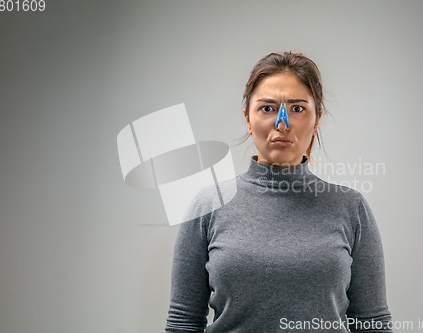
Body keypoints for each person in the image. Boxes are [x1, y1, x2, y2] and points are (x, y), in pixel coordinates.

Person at [165, 51, 393, 332]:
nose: (282, 124)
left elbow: (371, 323)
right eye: (267, 108)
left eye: (297, 109)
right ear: (248, 119)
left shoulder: (351, 208)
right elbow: (183, 322)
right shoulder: (208, 205)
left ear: (317, 118)